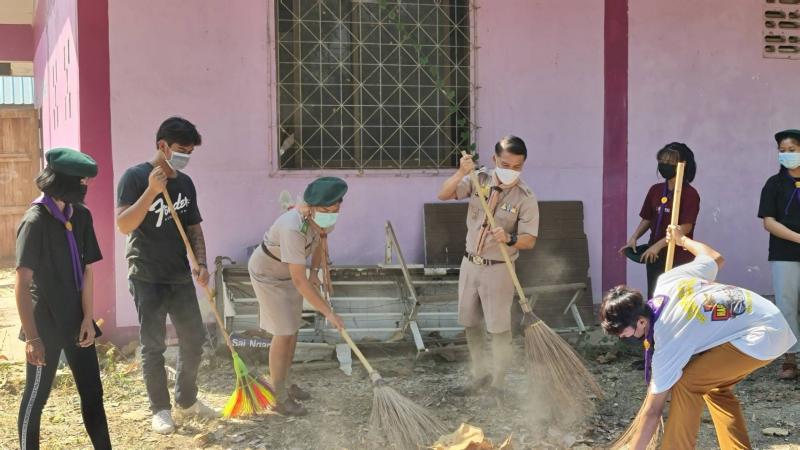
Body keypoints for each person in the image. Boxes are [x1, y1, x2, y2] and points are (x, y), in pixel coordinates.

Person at [600, 225, 796, 450]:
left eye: (624, 334)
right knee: (714, 387)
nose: (624, 338)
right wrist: (682, 239)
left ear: (641, 322)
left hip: (761, 334)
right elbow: (714, 258)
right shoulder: (667, 281)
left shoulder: (669, 337)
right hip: (766, 317)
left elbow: (653, 411)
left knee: (687, 383)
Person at [116, 117, 216, 434]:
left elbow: (193, 227)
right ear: (162, 146)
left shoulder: (185, 183)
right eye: (181, 150)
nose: (185, 155)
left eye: (189, 151)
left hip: (179, 274)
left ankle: (186, 401)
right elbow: (124, 225)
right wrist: (152, 190)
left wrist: (200, 262)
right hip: (146, 274)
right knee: (153, 344)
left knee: (195, 338)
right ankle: (160, 409)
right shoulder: (133, 177)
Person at [15, 148, 112, 449]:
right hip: (43, 323)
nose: (86, 187)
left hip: (76, 320)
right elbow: (21, 283)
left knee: (93, 394)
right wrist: (33, 339)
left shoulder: (80, 215)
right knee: (37, 396)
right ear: (65, 182)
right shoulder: (35, 221)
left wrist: (87, 318)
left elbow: (86, 270)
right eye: (82, 182)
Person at [437, 135, 539, 399]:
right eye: (505, 164)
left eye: (517, 167)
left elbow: (530, 240)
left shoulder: (525, 197)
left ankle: (498, 383)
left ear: (523, 165)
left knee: (498, 328)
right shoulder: (478, 180)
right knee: (470, 322)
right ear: (494, 160)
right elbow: (444, 194)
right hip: (470, 264)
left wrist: (510, 237)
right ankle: (479, 375)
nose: (511, 171)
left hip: (499, 268)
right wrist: (461, 171)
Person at [248, 177, 347, 416]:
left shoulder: (324, 218)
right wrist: (328, 313)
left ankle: (284, 381)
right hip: (269, 276)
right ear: (311, 207)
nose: (331, 215)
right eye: (325, 211)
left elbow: (321, 241)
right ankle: (278, 398)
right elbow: (299, 281)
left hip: (291, 274)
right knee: (282, 333)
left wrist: (315, 272)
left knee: (292, 331)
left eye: (335, 210)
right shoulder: (293, 227)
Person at [620, 142, 700, 298]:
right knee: (655, 297)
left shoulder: (690, 194)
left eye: (670, 162)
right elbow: (648, 218)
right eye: (662, 161)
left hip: (679, 257)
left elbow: (685, 227)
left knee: (675, 299)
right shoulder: (655, 190)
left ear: (682, 165)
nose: (664, 165)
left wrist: (657, 246)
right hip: (654, 255)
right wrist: (634, 238)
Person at [758, 128, 800, 380]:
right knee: (786, 305)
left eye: (792, 150)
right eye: (782, 151)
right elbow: (769, 221)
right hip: (784, 253)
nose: (786, 155)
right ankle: (790, 359)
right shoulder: (773, 184)